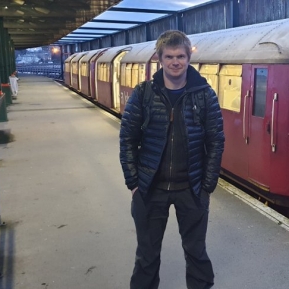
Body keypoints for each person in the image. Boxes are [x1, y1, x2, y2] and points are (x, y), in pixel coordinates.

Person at [119, 30, 225, 289]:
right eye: (169, 56)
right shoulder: (143, 93)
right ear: (159, 58)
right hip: (149, 189)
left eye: (180, 56)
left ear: (189, 58)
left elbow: (216, 141)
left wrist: (207, 186)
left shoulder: (204, 95)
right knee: (147, 256)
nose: (175, 61)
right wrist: (134, 182)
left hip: (191, 189)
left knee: (196, 254)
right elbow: (127, 140)